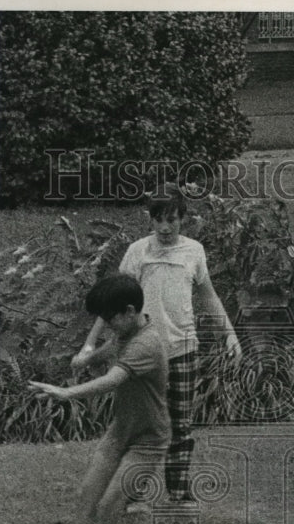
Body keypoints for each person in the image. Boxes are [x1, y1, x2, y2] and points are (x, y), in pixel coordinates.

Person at [72, 184, 241, 506]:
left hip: (182, 351)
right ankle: (130, 493)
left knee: (180, 425)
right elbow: (113, 302)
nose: (164, 227)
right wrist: (88, 347)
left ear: (183, 219)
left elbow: (209, 296)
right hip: (140, 353)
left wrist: (229, 335)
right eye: (158, 219)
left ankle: (179, 492)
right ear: (150, 219)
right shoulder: (138, 251)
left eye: (172, 220)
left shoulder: (194, 252)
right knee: (136, 425)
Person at [30, 273, 169, 524]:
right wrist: (88, 358)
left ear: (130, 311)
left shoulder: (147, 343)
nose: (107, 326)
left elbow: (112, 380)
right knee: (87, 497)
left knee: (109, 508)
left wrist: (66, 393)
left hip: (148, 441)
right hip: (119, 433)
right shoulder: (127, 331)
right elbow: (111, 348)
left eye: (111, 319)